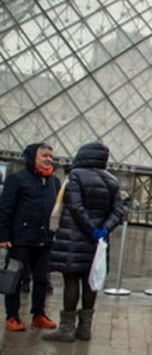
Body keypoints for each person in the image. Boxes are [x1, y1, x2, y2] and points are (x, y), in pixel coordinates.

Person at [45, 142, 124, 342]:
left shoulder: (76, 176)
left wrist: (90, 229)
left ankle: (66, 329)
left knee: (71, 280)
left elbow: (75, 206)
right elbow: (118, 211)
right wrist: (104, 229)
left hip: (74, 236)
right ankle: (85, 329)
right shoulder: (112, 180)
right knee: (91, 282)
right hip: (99, 242)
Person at [0, 143, 61, 332]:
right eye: (44, 155)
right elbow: (5, 208)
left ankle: (39, 314)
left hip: (44, 238)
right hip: (21, 238)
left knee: (42, 279)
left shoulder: (53, 182)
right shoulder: (17, 179)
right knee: (16, 278)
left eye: (50, 156)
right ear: (32, 157)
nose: (48, 159)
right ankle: (12, 316)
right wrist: (3, 235)